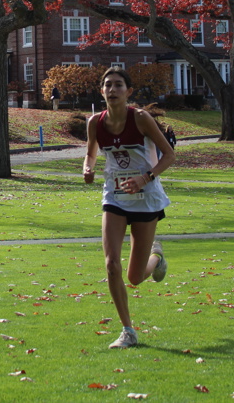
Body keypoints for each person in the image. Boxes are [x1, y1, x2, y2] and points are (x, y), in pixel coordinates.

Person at [82, 67, 175, 349]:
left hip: (146, 198)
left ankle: (157, 258)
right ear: (102, 91)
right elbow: (90, 153)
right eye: (108, 85)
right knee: (112, 265)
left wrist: (144, 178)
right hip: (115, 197)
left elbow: (169, 156)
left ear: (129, 91)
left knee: (134, 277)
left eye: (118, 85)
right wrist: (88, 168)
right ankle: (127, 331)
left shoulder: (141, 118)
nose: (112, 90)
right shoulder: (95, 122)